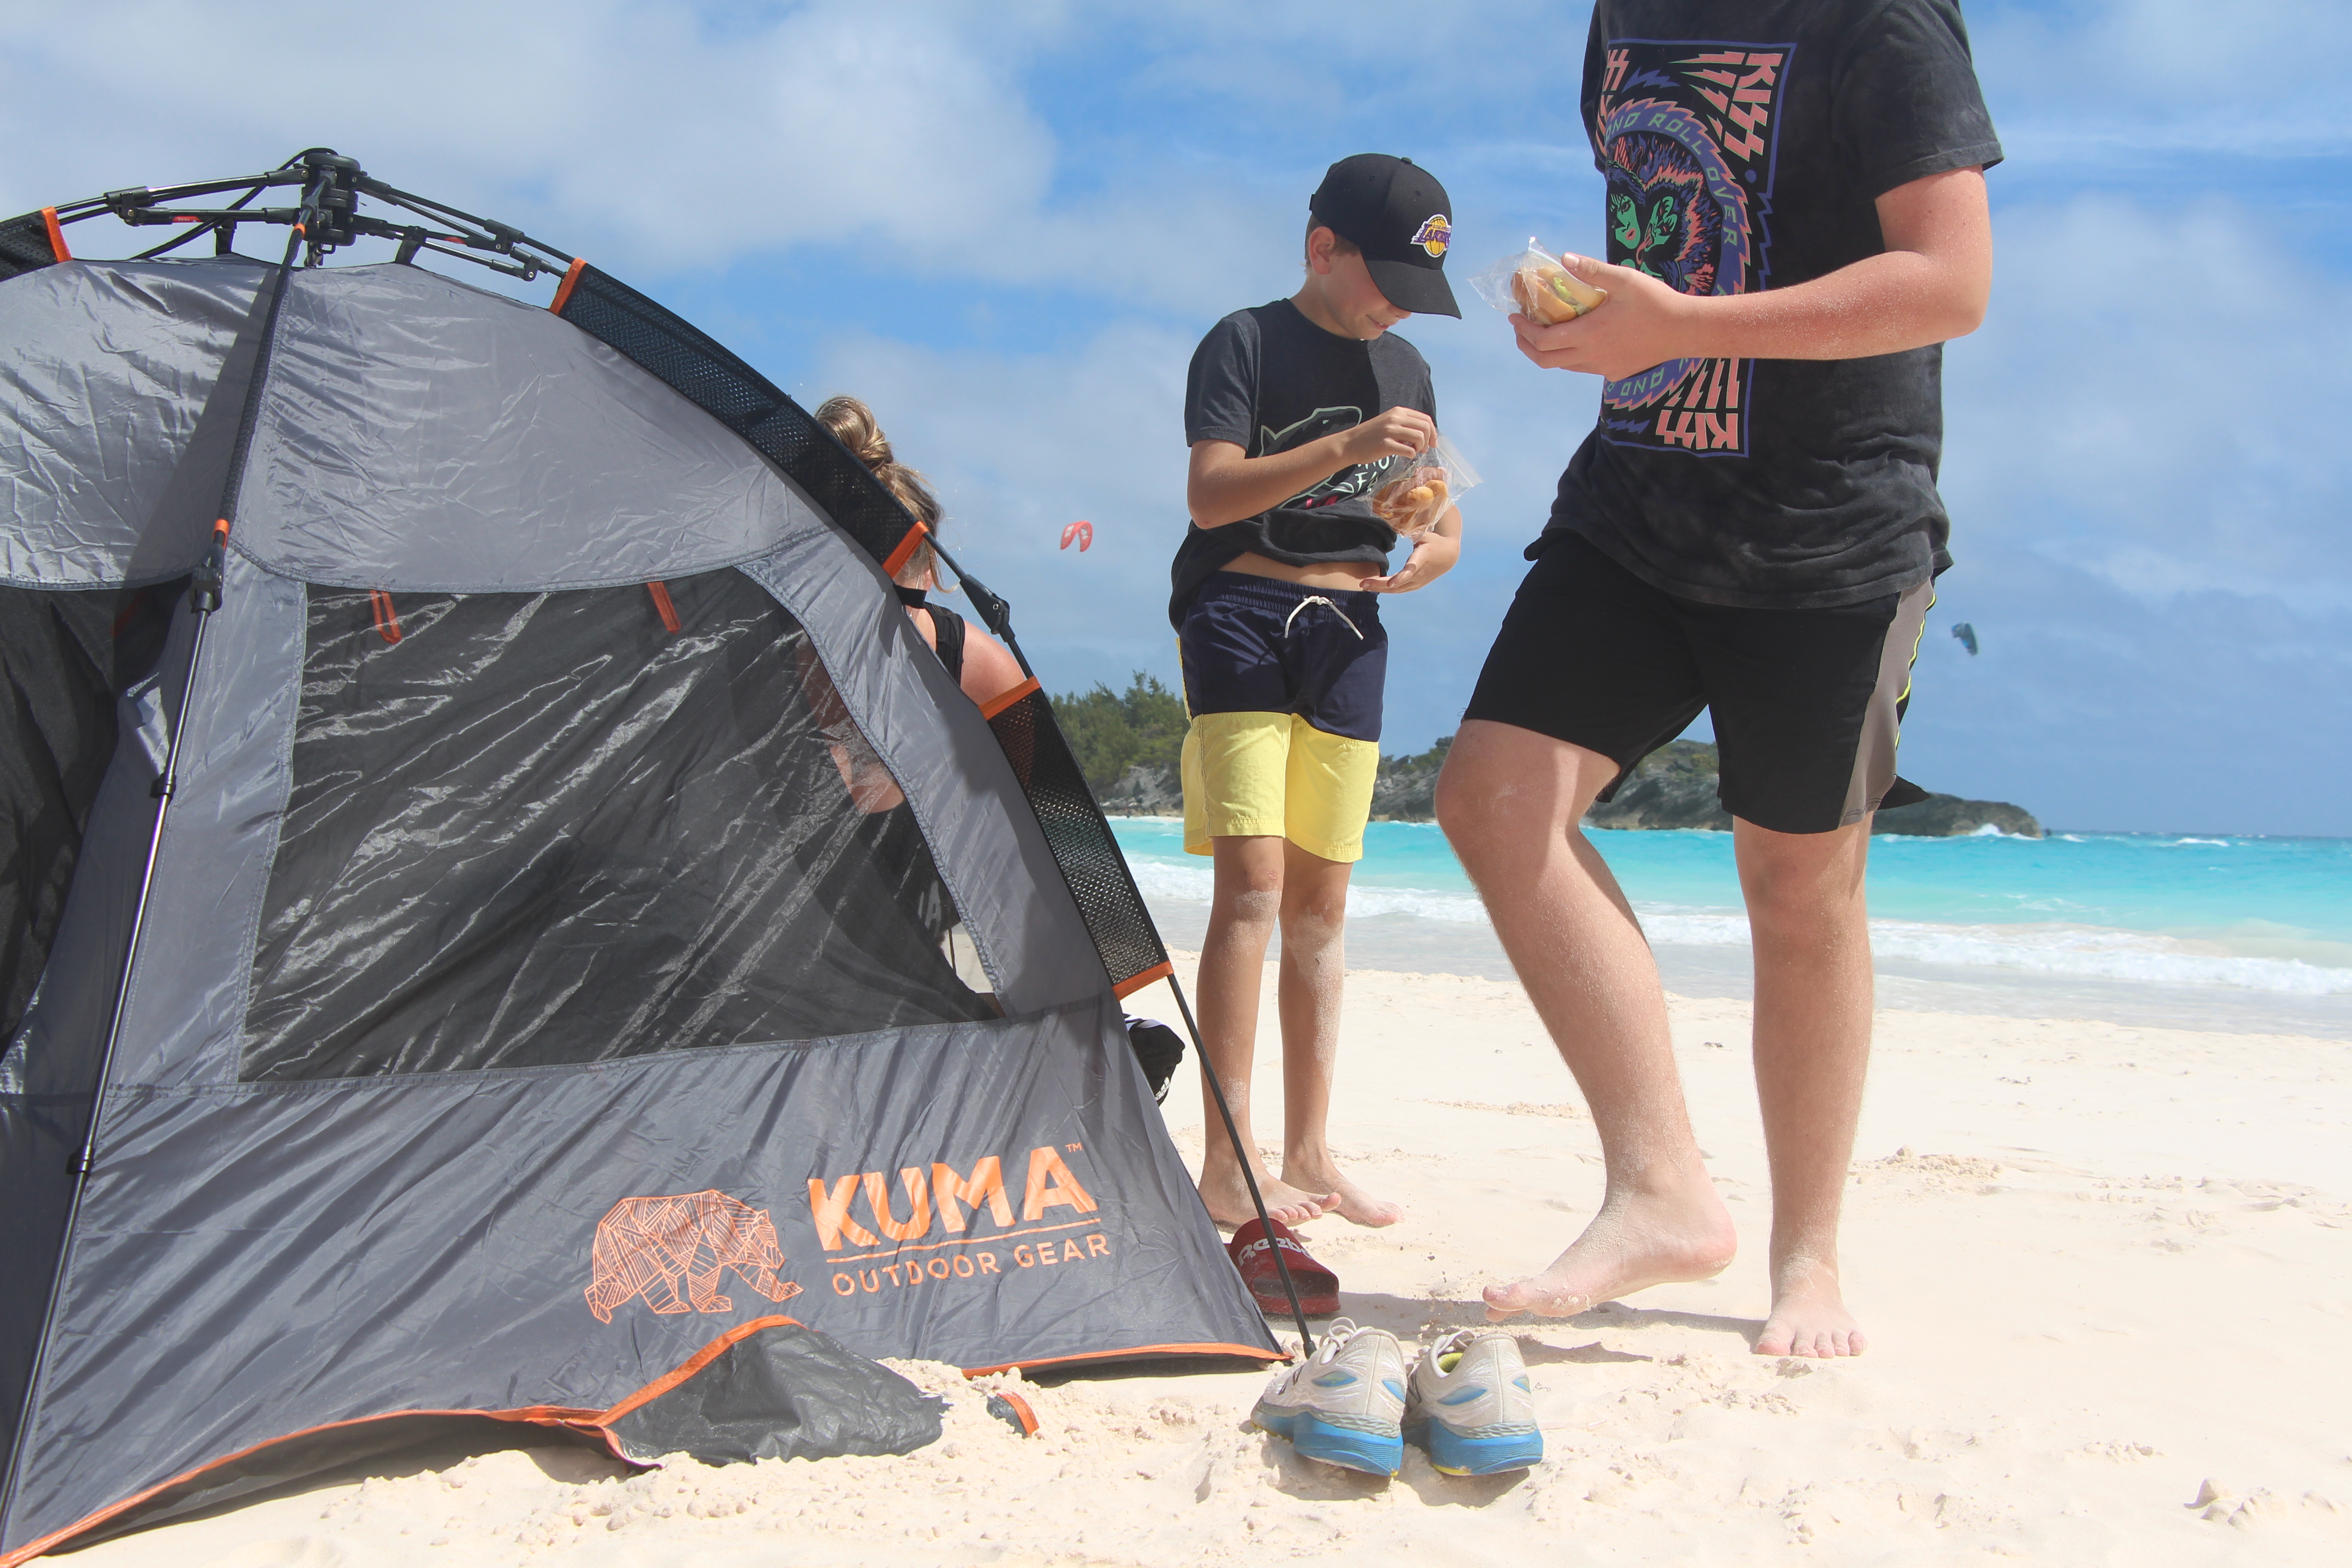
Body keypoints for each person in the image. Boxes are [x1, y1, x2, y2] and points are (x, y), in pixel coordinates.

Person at [1434, 1, 1999, 1357]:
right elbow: (1672, 226)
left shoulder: (1885, 24)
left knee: (1797, 888)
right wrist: (1589, 313)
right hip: (1635, 498)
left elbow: (1950, 281)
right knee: (1493, 798)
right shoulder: (1625, 14)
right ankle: (1659, 1189)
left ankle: (1810, 1259)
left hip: (1833, 524)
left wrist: (1687, 320)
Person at [1175, 153, 1465, 1230]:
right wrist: (1341, 445)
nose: (1396, 303)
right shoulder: (1244, 341)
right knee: (1250, 889)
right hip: (1241, 613)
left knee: (1321, 906)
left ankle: (1309, 1151)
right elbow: (1210, 497)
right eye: (1382, 274)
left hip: (1350, 627)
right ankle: (1224, 1159)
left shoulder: (1410, 370)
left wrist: (1426, 551)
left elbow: (1435, 520)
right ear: (1320, 248)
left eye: (1414, 286)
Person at [815, 395, 1027, 710]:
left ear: (929, 570)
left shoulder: (988, 679)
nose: (862, 630)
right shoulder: (781, 655)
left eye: (885, 607)